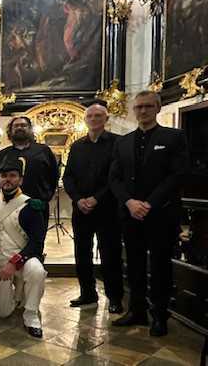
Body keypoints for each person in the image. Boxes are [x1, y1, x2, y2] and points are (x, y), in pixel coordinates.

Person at [109, 90, 189, 337]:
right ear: (134, 110)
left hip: (161, 214)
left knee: (160, 266)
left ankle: (159, 315)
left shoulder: (174, 137)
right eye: (139, 107)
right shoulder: (122, 142)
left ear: (158, 108)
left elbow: (176, 175)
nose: (143, 111)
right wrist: (129, 202)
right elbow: (114, 178)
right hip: (131, 215)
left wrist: (149, 203)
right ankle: (137, 311)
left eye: (148, 106)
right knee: (134, 265)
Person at [0, 157, 48, 338]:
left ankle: (31, 315)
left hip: (23, 259)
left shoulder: (31, 205)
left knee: (37, 271)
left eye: (13, 176)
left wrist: (14, 263)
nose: (7, 179)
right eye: (3, 175)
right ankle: (18, 295)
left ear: (20, 180)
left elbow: (37, 243)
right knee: (4, 312)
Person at [63, 104, 124, 313]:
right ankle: (87, 293)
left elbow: (116, 177)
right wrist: (79, 199)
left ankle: (114, 297)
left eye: (98, 115)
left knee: (110, 254)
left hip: (108, 209)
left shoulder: (117, 143)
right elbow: (68, 177)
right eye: (90, 116)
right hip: (81, 210)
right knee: (82, 253)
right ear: (85, 119)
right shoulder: (77, 146)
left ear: (106, 119)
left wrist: (96, 198)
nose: (94, 119)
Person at [0, 116, 59, 226]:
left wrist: (45, 197)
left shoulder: (43, 151)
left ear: (30, 129)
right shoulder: (3, 154)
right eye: (16, 126)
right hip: (9, 207)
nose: (19, 128)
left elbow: (54, 176)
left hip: (37, 205)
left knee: (37, 236)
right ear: (10, 130)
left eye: (23, 125)